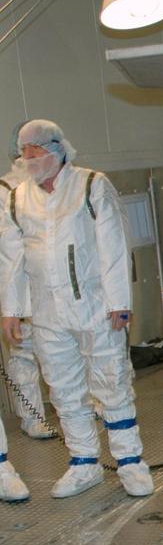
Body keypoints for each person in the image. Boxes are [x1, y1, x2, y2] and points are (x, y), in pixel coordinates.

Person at [0, 120, 154, 498]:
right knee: (64, 390)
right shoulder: (19, 198)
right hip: (46, 313)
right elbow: (12, 259)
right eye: (24, 152)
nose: (29, 158)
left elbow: (114, 244)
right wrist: (11, 310)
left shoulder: (90, 185)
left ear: (57, 149)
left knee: (111, 383)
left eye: (36, 150)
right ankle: (84, 462)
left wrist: (119, 302)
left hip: (94, 307)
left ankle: (130, 462)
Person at [0, 131, 55, 441]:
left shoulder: (51, 185)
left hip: (51, 284)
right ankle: (32, 417)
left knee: (57, 351)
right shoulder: (5, 190)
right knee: (23, 354)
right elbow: (8, 251)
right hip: (19, 287)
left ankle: (74, 409)